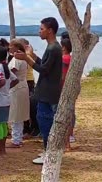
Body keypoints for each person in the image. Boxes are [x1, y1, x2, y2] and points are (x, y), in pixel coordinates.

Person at [14, 17, 62, 165]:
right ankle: (49, 152)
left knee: (45, 123)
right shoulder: (52, 47)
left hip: (48, 93)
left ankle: (49, 155)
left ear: (50, 30)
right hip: (48, 92)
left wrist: (27, 59)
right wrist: (32, 56)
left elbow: (44, 70)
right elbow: (45, 65)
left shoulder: (54, 48)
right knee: (45, 122)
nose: (39, 31)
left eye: (41, 29)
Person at [7, 39, 30, 148]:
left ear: (16, 47)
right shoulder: (24, 58)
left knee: (15, 113)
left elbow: (12, 73)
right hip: (23, 86)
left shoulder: (16, 58)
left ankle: (16, 139)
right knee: (19, 113)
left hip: (16, 87)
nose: (9, 48)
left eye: (11, 46)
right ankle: (18, 137)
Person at [20, 38, 40, 138]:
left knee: (31, 106)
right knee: (25, 106)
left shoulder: (26, 56)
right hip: (24, 81)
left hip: (28, 81)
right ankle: (27, 128)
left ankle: (33, 128)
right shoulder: (21, 56)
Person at [61, 37, 75, 150]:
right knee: (69, 113)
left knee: (63, 114)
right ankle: (69, 137)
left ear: (64, 47)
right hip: (70, 87)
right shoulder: (71, 58)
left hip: (63, 88)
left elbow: (62, 76)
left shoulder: (64, 59)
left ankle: (66, 142)